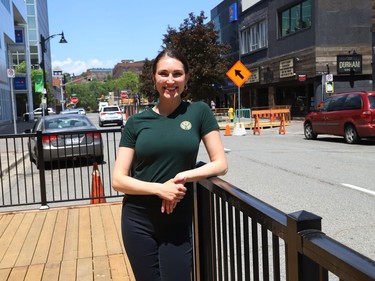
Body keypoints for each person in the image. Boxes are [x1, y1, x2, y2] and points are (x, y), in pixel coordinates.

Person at [112, 48, 228, 281]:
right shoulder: (136, 122)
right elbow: (118, 179)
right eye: (163, 73)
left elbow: (220, 164)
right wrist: (159, 188)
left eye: (177, 74)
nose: (170, 80)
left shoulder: (199, 112)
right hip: (138, 219)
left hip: (177, 218)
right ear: (154, 78)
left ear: (186, 78)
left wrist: (181, 177)